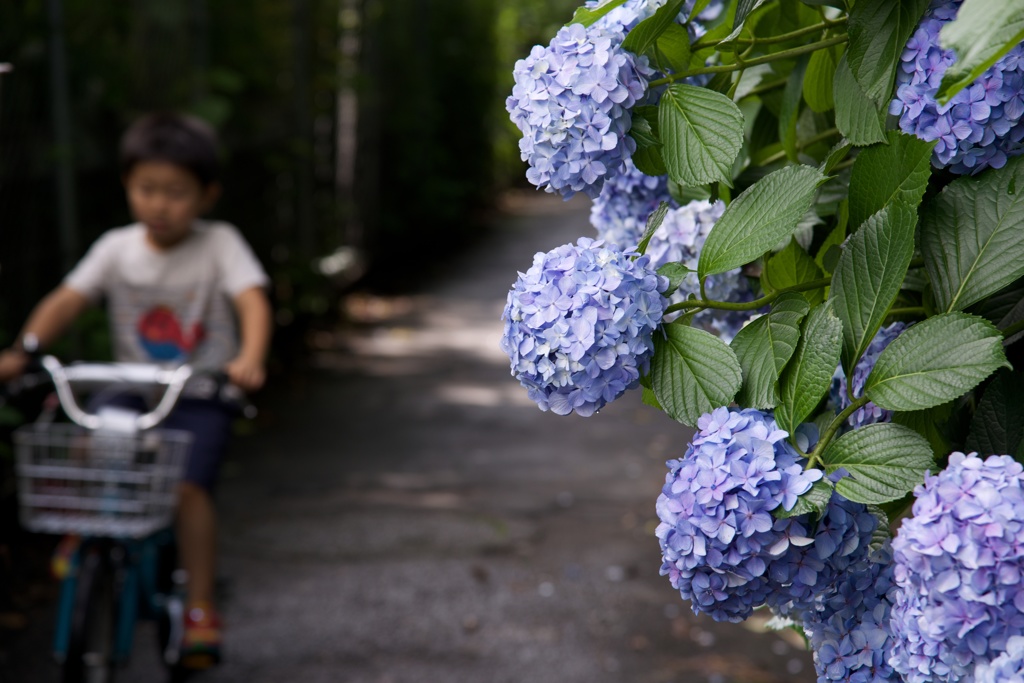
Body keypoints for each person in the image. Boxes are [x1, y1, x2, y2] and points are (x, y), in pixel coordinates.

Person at [0, 112, 272, 669]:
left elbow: (251, 299)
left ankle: (199, 606)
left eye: (176, 192)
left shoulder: (220, 244)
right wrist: (24, 348)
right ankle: (84, 533)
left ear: (206, 195)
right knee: (86, 444)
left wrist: (249, 357)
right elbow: (67, 299)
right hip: (132, 386)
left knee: (189, 489)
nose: (160, 204)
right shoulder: (116, 248)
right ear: (127, 186)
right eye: (147, 189)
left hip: (198, 391)